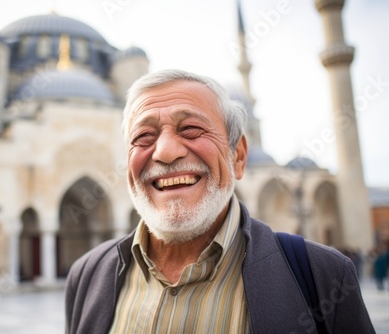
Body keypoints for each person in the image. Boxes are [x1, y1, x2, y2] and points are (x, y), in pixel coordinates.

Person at [65, 69, 375, 333]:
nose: (165, 152)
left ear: (239, 156)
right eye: (144, 136)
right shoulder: (88, 276)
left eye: (191, 129)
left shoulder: (321, 276)